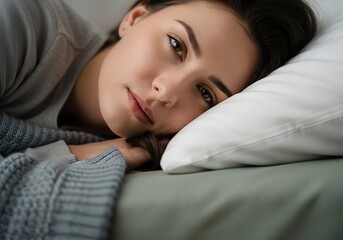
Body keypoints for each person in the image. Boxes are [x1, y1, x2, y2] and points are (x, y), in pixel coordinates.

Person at [0, 0, 317, 238]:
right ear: (135, 17)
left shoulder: (153, 151)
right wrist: (77, 154)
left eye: (206, 94)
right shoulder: (20, 21)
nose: (167, 91)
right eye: (177, 45)